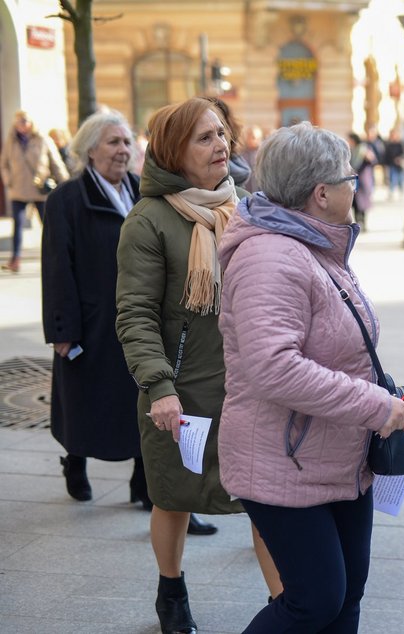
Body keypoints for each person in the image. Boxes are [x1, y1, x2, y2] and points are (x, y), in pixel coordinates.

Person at [216, 123, 404, 632]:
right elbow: (273, 367)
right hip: (283, 460)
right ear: (321, 193)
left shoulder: (314, 245)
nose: (357, 185)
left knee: (346, 597)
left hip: (336, 455)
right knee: (314, 600)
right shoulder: (270, 256)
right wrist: (374, 404)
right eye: (351, 177)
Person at [114, 97, 281, 634]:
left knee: (270, 499)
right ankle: (171, 588)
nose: (221, 145)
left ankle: (288, 605)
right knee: (175, 497)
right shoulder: (150, 220)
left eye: (221, 134)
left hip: (251, 385)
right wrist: (159, 386)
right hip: (182, 390)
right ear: (172, 152)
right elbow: (135, 313)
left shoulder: (248, 206)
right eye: (204, 138)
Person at [41, 111, 147, 507]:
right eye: (113, 142)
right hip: (90, 321)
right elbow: (56, 267)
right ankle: (75, 460)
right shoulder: (66, 199)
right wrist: (62, 330)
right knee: (82, 401)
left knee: (141, 400)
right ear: (89, 150)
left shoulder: (142, 191)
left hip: (136, 320)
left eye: (126, 142)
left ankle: (144, 479)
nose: (123, 151)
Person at [1, 110, 69, 272]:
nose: (21, 125)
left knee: (48, 225)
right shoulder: (11, 142)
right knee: (17, 224)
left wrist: (66, 184)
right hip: (18, 188)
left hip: (39, 189)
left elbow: (55, 163)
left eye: (24, 121)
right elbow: (4, 164)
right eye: (18, 122)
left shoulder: (43, 140)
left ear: (31, 123)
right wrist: (8, 180)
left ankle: (57, 258)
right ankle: (15, 259)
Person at [347, 132, 375, 228]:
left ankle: (363, 221)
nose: (348, 141)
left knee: (362, 202)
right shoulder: (350, 150)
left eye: (349, 139)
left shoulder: (364, 149)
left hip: (363, 179)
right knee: (354, 202)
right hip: (353, 179)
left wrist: (369, 158)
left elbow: (372, 161)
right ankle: (358, 222)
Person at [382, 128, 404, 200]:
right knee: (392, 179)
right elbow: (386, 155)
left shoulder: (401, 144)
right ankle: (391, 193)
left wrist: (400, 159)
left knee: (401, 179)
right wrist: (386, 164)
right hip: (392, 164)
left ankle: (401, 192)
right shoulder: (389, 144)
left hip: (400, 165)